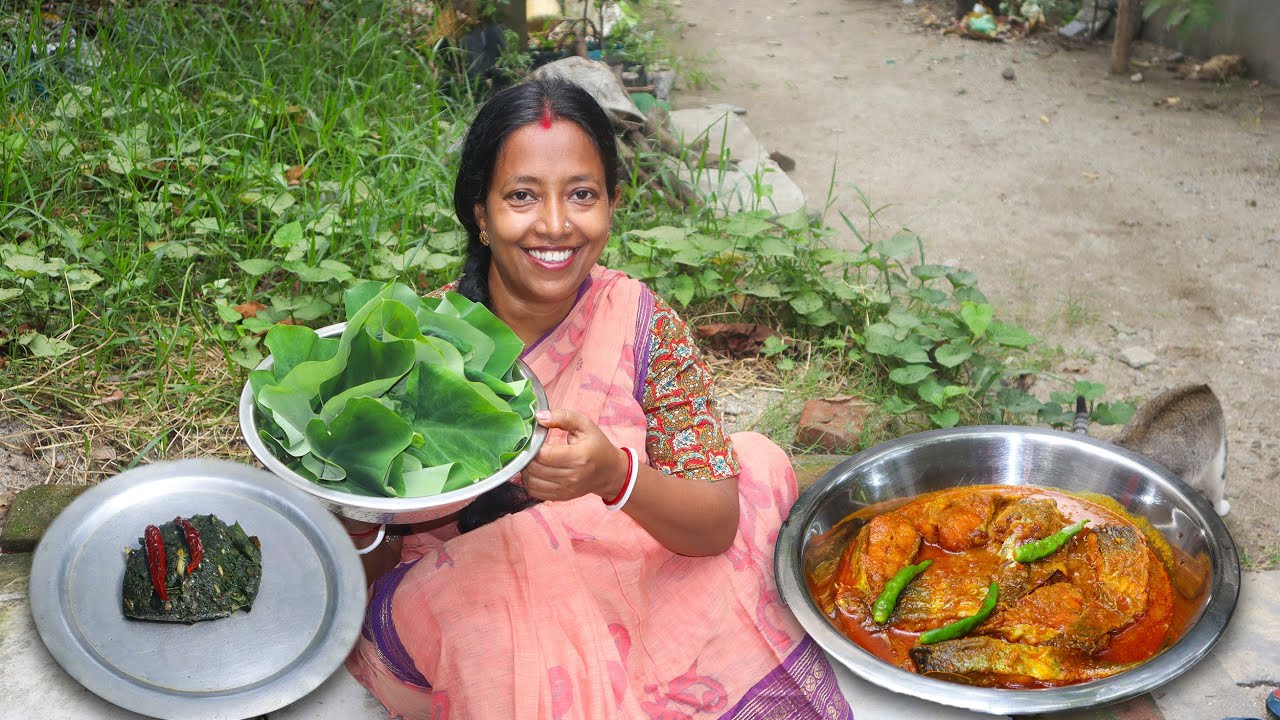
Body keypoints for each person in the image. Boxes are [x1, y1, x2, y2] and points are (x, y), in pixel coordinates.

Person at [341, 77, 852, 720]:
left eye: (581, 194)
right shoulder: (416, 343)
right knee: (489, 605)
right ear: (480, 211)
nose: (555, 226)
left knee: (752, 466)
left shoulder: (640, 322)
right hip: (474, 601)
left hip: (631, 563)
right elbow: (373, 566)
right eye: (522, 196)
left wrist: (615, 475)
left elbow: (715, 525)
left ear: (612, 203)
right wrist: (355, 518)